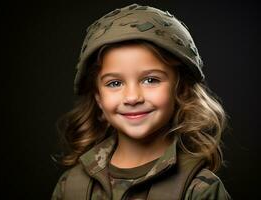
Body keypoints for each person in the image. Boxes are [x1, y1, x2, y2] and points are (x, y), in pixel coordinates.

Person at [51, 3, 231, 200]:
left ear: (181, 90)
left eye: (150, 80)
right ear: (99, 99)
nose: (132, 97)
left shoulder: (198, 190)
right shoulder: (71, 186)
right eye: (115, 83)